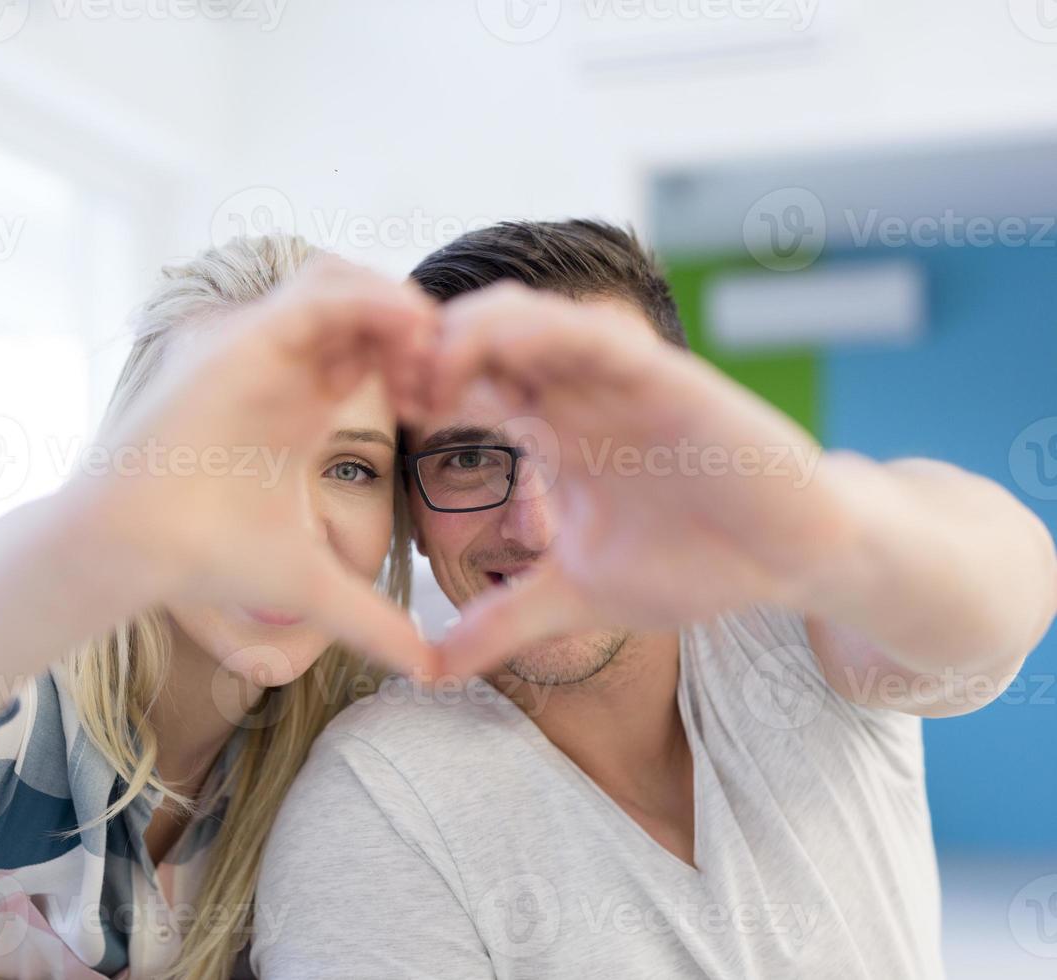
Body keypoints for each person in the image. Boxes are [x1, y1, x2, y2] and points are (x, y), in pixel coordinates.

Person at [253, 220, 1057, 979]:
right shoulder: (384, 800)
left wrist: (822, 527)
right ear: (414, 518)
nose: (534, 525)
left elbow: (1000, 600)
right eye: (467, 457)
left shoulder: (792, 623)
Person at [0, 235, 439, 980]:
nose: (296, 528)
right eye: (233, 450)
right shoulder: (17, 709)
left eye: (350, 467)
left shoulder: (366, 737)